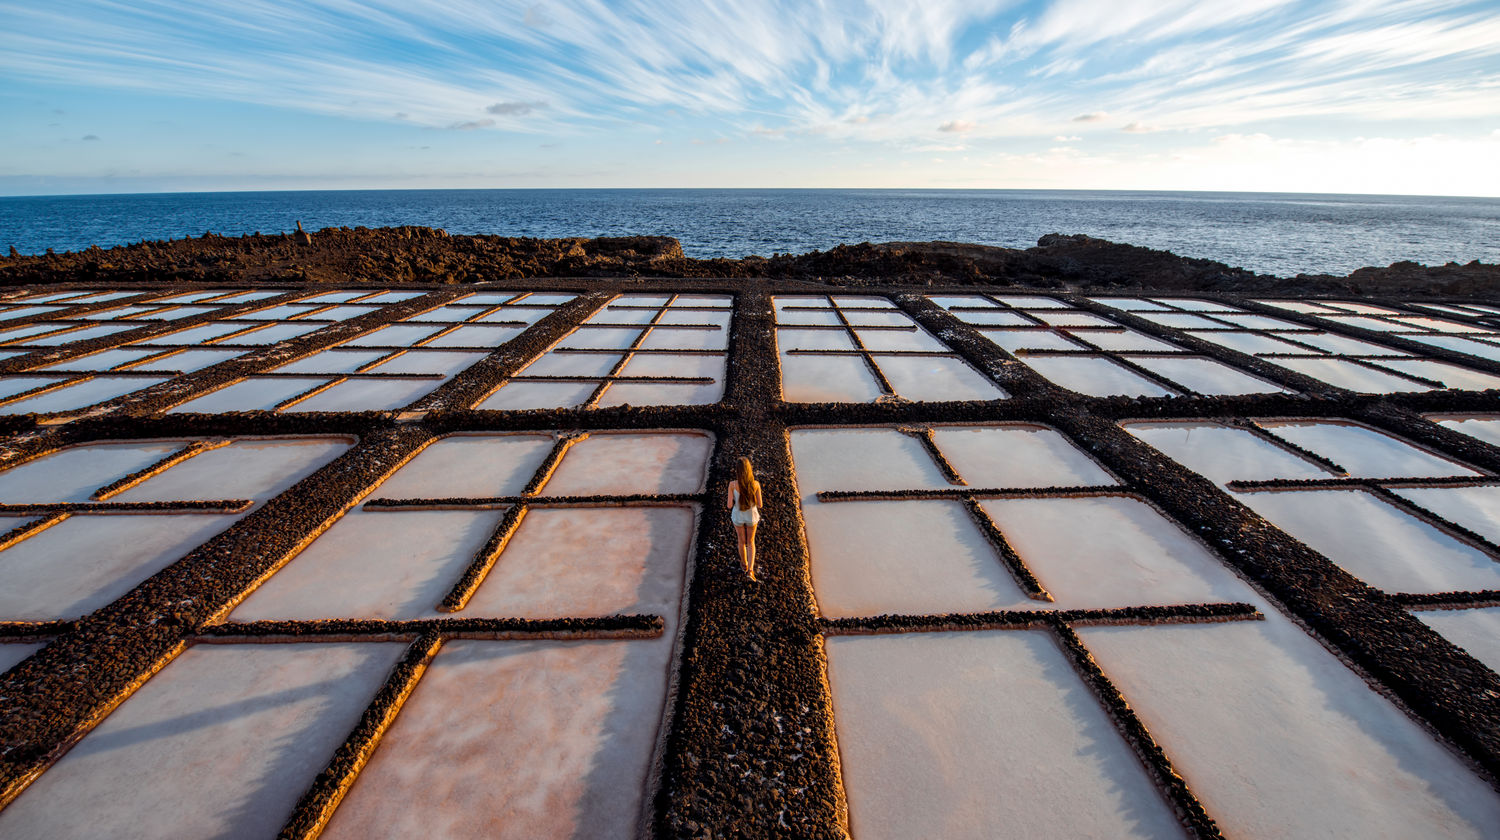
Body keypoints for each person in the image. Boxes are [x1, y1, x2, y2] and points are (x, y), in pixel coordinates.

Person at [726, 456, 762, 580]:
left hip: (738, 515)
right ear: (749, 469)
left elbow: (729, 505)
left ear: (737, 470)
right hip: (751, 515)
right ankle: (751, 571)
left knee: (741, 541)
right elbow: (760, 504)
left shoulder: (732, 484)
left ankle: (744, 564)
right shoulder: (756, 484)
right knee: (751, 542)